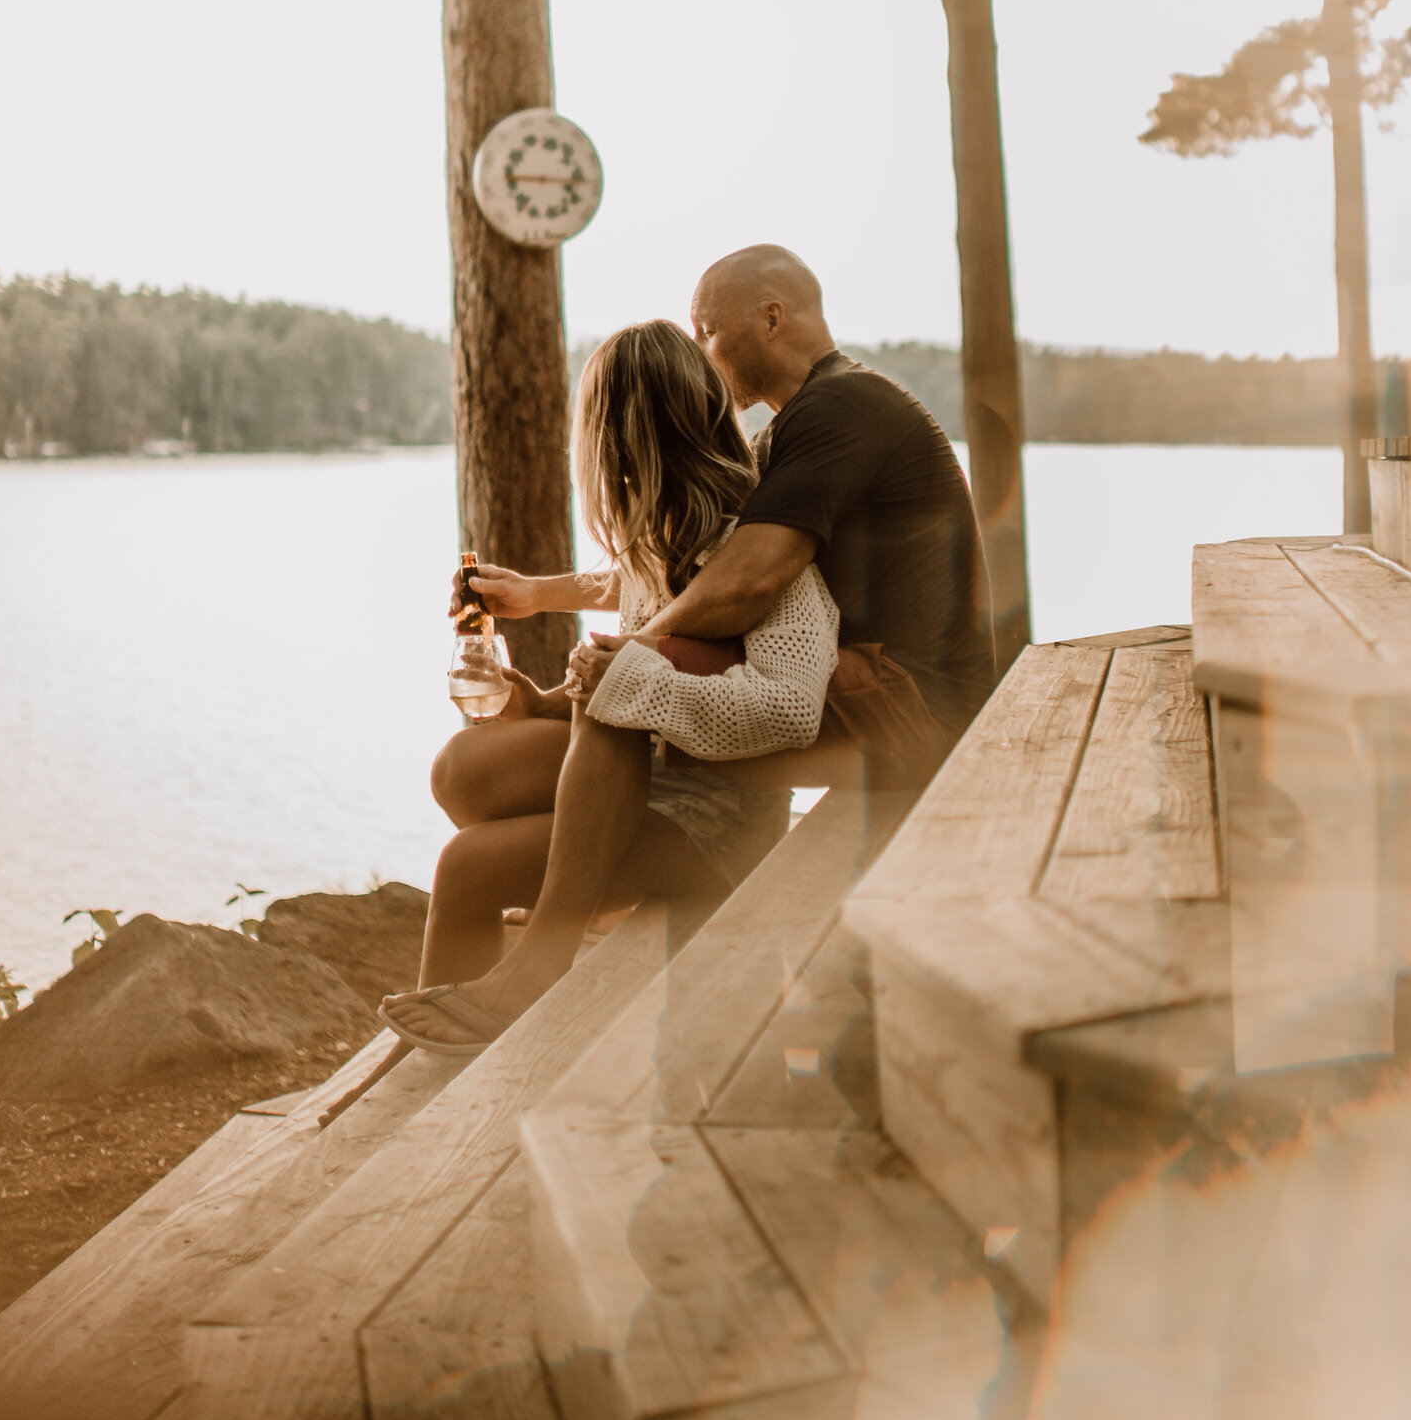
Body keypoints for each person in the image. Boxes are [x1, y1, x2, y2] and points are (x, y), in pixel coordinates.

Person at [382, 243, 995, 1052]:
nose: (704, 353)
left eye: (708, 330)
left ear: (769, 317)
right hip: (858, 689)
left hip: (913, 704)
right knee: (472, 768)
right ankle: (581, 869)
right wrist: (541, 607)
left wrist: (614, 667)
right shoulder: (791, 436)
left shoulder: (836, 411)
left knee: (629, 677)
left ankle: (549, 947)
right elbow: (698, 570)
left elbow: (749, 578)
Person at [380, 317, 838, 1051]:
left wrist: (629, 682)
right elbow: (631, 611)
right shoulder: (656, 540)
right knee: (462, 768)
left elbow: (790, 710)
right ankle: (468, 1029)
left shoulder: (761, 552)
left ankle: (529, 972)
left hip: (719, 825)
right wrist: (533, 696)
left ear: (614, 441)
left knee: (467, 865)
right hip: (644, 789)